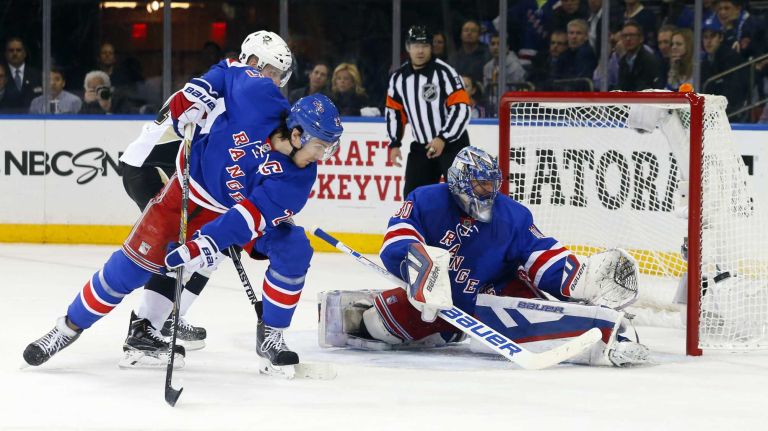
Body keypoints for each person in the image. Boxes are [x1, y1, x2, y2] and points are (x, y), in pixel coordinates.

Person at [23, 76, 344, 377]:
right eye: (322, 146)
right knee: (128, 271)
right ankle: (66, 328)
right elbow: (228, 71)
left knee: (293, 245)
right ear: (298, 133)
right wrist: (198, 92)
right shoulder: (260, 99)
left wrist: (202, 246)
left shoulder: (299, 180)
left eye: (331, 147)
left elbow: (245, 219)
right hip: (190, 195)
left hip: (236, 214)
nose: (325, 155)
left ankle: (272, 335)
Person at [319, 146, 649, 367]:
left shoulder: (511, 215)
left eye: (491, 184)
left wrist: (578, 278)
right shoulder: (427, 200)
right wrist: (418, 265)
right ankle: (446, 330)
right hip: (434, 300)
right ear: (459, 183)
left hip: (494, 290)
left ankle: (609, 335)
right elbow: (398, 237)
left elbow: (539, 253)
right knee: (375, 326)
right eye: (479, 185)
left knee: (543, 314)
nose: (487, 192)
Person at [117, 30, 295, 354]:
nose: (275, 81)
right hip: (150, 169)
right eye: (270, 71)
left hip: (182, 174)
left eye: (279, 76)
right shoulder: (232, 91)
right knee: (185, 245)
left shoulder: (245, 95)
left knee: (209, 252)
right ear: (252, 62)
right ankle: (144, 329)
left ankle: (167, 317)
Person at [386, 25, 471, 197]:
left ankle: (465, 225)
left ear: (431, 47)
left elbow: (461, 108)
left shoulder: (445, 73)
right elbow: (394, 111)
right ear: (408, 47)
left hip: (452, 145)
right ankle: (419, 225)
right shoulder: (398, 78)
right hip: (421, 147)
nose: (420, 50)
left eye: (425, 45)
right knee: (414, 197)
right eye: (416, 46)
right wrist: (394, 143)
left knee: (462, 196)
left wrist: (443, 137)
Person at [617, 21, 662, 91]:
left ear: (641, 38)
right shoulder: (623, 61)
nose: (628, 39)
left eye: (632, 35)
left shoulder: (650, 61)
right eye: (625, 36)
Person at [3, 37, 42, 112]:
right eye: (11, 50)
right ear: (6, 54)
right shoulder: (1, 74)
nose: (15, 53)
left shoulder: (37, 75)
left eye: (18, 50)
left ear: (24, 54)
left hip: (33, 120)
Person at [449, 20, 492, 85]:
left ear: (479, 35)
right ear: (461, 35)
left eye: (473, 31)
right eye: (466, 30)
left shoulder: (487, 55)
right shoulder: (454, 58)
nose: (469, 33)